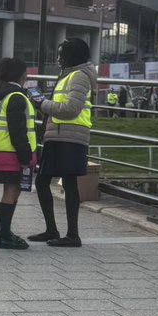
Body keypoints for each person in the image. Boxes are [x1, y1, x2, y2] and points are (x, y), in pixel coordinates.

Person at [30, 38, 96, 248]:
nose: (58, 59)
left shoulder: (78, 76)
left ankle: (72, 234)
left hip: (70, 136)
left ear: (72, 57)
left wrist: (43, 104)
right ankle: (53, 229)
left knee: (68, 183)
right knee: (42, 181)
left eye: (61, 55)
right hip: (57, 135)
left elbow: (71, 109)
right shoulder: (68, 75)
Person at [0, 57, 37, 251]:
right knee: (11, 192)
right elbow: (18, 130)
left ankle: (5, 233)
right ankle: (4, 234)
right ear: (22, 75)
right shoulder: (16, 96)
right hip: (13, 152)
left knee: (10, 191)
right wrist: (25, 157)